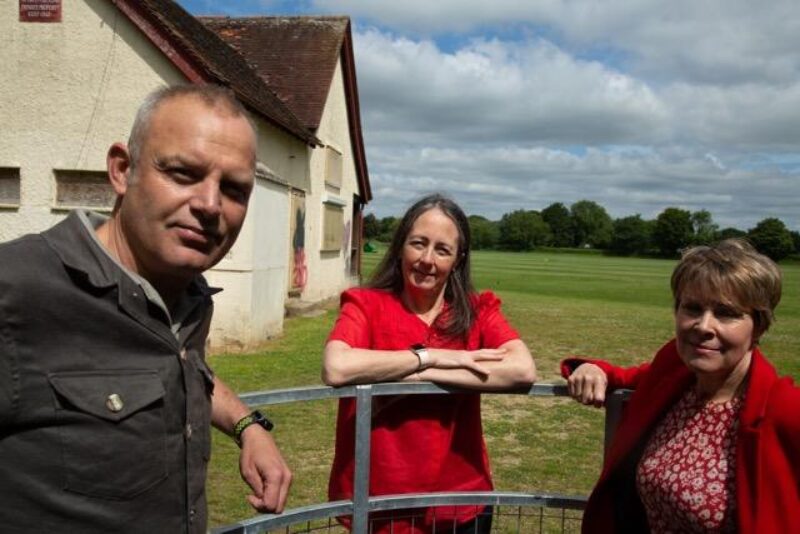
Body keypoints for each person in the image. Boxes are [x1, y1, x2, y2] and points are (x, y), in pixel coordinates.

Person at [0, 85, 291, 533]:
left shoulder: (188, 295)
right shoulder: (17, 290)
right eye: (182, 173)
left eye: (234, 189)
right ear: (122, 170)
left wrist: (248, 426)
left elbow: (186, 371)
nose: (210, 205)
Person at [323, 194, 537, 533]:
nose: (426, 259)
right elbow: (337, 366)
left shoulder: (477, 310)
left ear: (458, 259)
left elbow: (522, 370)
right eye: (418, 243)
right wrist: (430, 356)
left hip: (461, 500)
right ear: (400, 245)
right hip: (381, 501)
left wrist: (416, 374)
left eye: (442, 249)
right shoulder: (366, 304)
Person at [561, 239, 800, 533]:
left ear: (759, 326)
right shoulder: (675, 369)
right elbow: (631, 377)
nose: (703, 326)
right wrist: (593, 369)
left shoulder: (786, 410)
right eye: (692, 308)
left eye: (726, 313)